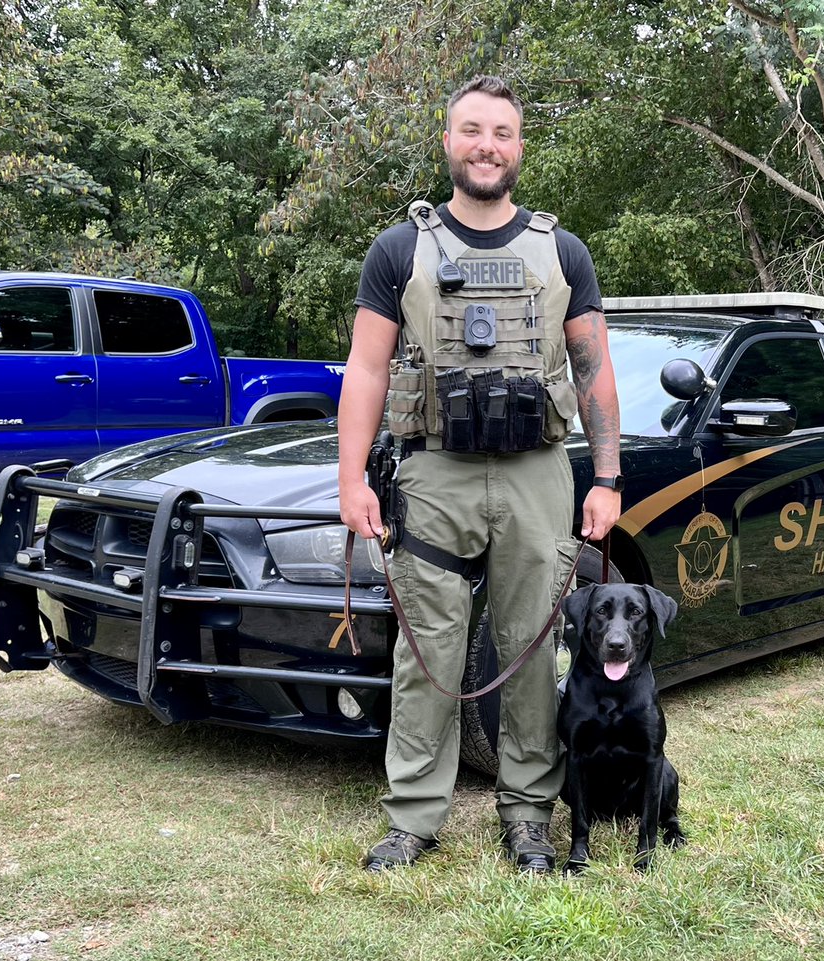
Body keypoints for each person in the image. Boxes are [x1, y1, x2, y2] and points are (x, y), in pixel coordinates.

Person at [337, 74, 622, 875]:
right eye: (471, 130)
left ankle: (529, 814)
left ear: (519, 146)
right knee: (426, 645)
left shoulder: (564, 250)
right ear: (448, 141)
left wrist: (607, 478)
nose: (486, 146)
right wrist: (350, 478)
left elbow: (594, 370)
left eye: (501, 132)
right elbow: (365, 369)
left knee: (530, 650)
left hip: (537, 476)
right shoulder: (400, 249)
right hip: (434, 475)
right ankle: (413, 817)